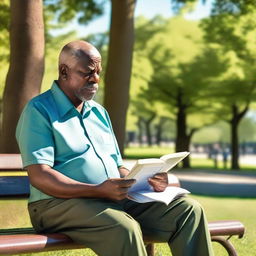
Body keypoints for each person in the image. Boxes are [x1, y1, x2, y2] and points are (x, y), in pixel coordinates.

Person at [16, 40, 214, 256]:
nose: (96, 80)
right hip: (55, 205)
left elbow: (117, 167)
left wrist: (144, 180)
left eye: (98, 72)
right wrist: (96, 190)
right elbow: (40, 176)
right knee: (123, 227)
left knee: (188, 211)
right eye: (88, 73)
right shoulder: (39, 110)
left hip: (109, 200)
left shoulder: (99, 113)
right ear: (64, 71)